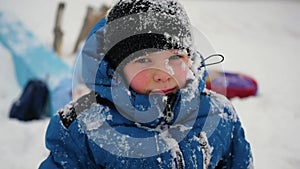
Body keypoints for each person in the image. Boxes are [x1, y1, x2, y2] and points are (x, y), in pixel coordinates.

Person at [39, 0, 253, 168]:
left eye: (175, 58)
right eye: (143, 60)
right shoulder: (83, 125)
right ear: (117, 67)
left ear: (189, 58)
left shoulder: (220, 114)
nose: (163, 74)